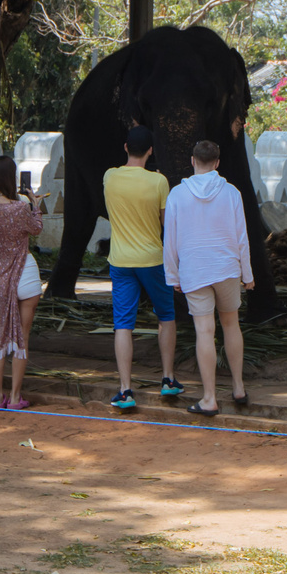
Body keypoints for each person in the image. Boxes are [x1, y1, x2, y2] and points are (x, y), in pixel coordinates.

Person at [164, 138, 252, 417]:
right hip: (226, 268)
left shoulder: (177, 194)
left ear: (193, 161)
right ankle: (238, 388)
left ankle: (210, 398)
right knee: (231, 325)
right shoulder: (231, 193)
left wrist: (173, 275)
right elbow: (242, 238)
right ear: (217, 163)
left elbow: (170, 241)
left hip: (195, 269)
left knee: (205, 332)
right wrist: (247, 275)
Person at [102, 126, 179, 412]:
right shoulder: (159, 182)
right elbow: (165, 223)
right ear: (151, 151)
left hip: (120, 261)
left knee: (123, 323)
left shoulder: (109, 176)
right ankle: (168, 379)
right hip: (152, 259)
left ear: (125, 148)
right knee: (166, 316)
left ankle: (124, 389)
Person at [0, 156, 43, 410]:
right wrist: (35, 205)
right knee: (21, 338)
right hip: (24, 272)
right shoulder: (19, 208)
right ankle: (15, 397)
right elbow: (36, 229)